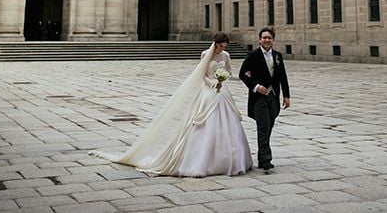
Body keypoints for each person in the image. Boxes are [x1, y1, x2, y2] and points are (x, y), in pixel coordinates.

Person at [91, 32, 252, 177]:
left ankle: (230, 160)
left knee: (228, 125)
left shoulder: (226, 56)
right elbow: (201, 75)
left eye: (224, 47)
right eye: (220, 46)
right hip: (208, 93)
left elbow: (229, 72)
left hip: (222, 93)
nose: (221, 49)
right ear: (215, 44)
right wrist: (212, 83)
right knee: (203, 124)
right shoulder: (205, 54)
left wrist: (226, 79)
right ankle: (199, 161)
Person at [239, 27, 290, 172]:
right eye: (264, 38)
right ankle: (266, 160)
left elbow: (282, 77)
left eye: (269, 38)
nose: (267, 40)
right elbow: (243, 74)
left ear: (273, 40)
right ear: (259, 40)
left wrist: (286, 96)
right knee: (263, 127)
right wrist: (255, 86)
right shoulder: (253, 55)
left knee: (269, 126)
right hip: (259, 98)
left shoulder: (278, 56)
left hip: (273, 96)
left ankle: (262, 158)